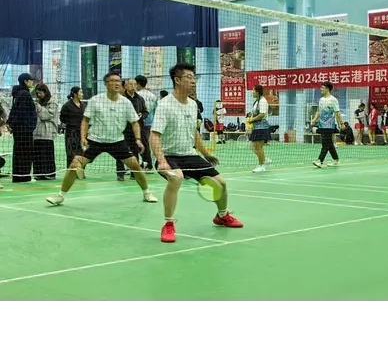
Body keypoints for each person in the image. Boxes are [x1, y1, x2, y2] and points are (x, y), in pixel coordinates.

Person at [151, 63, 243, 243]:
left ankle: (222, 216)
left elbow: (194, 132)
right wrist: (161, 161)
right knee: (176, 178)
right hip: (169, 156)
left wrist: (205, 153)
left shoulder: (193, 104)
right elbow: (154, 135)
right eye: (189, 77)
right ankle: (168, 224)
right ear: (177, 80)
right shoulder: (165, 104)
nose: (193, 81)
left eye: (194, 78)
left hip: (189, 155)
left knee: (221, 183)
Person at [46, 71, 158, 206]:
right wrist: (83, 137)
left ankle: (147, 193)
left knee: (135, 164)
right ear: (106, 84)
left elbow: (134, 122)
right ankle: (60, 196)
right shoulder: (96, 100)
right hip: (95, 141)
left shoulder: (126, 102)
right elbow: (85, 120)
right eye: (113, 81)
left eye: (118, 81)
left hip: (117, 141)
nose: (117, 83)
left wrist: (138, 139)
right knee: (75, 165)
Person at [7, 73, 37, 183]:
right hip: (24, 129)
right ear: (25, 81)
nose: (32, 82)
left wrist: (11, 123)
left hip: (19, 129)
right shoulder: (25, 94)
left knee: (18, 152)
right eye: (31, 80)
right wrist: (30, 126)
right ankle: (24, 176)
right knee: (26, 153)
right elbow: (22, 113)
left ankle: (18, 176)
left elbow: (14, 110)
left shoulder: (18, 93)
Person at [311, 81, 344, 168]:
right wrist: (314, 119)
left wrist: (341, 123)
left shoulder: (333, 100)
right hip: (321, 124)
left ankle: (320, 161)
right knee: (329, 143)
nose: (320, 89)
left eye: (322, 87)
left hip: (329, 125)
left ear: (327, 89)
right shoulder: (321, 100)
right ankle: (336, 159)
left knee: (325, 143)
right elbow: (318, 111)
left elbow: (337, 112)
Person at [247, 84, 272, 173]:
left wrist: (252, 120)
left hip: (262, 127)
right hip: (256, 127)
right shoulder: (256, 101)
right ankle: (265, 160)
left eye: (253, 91)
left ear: (257, 92)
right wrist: (250, 116)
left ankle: (261, 166)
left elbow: (262, 114)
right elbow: (255, 113)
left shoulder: (262, 101)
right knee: (252, 146)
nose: (252, 92)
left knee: (258, 147)